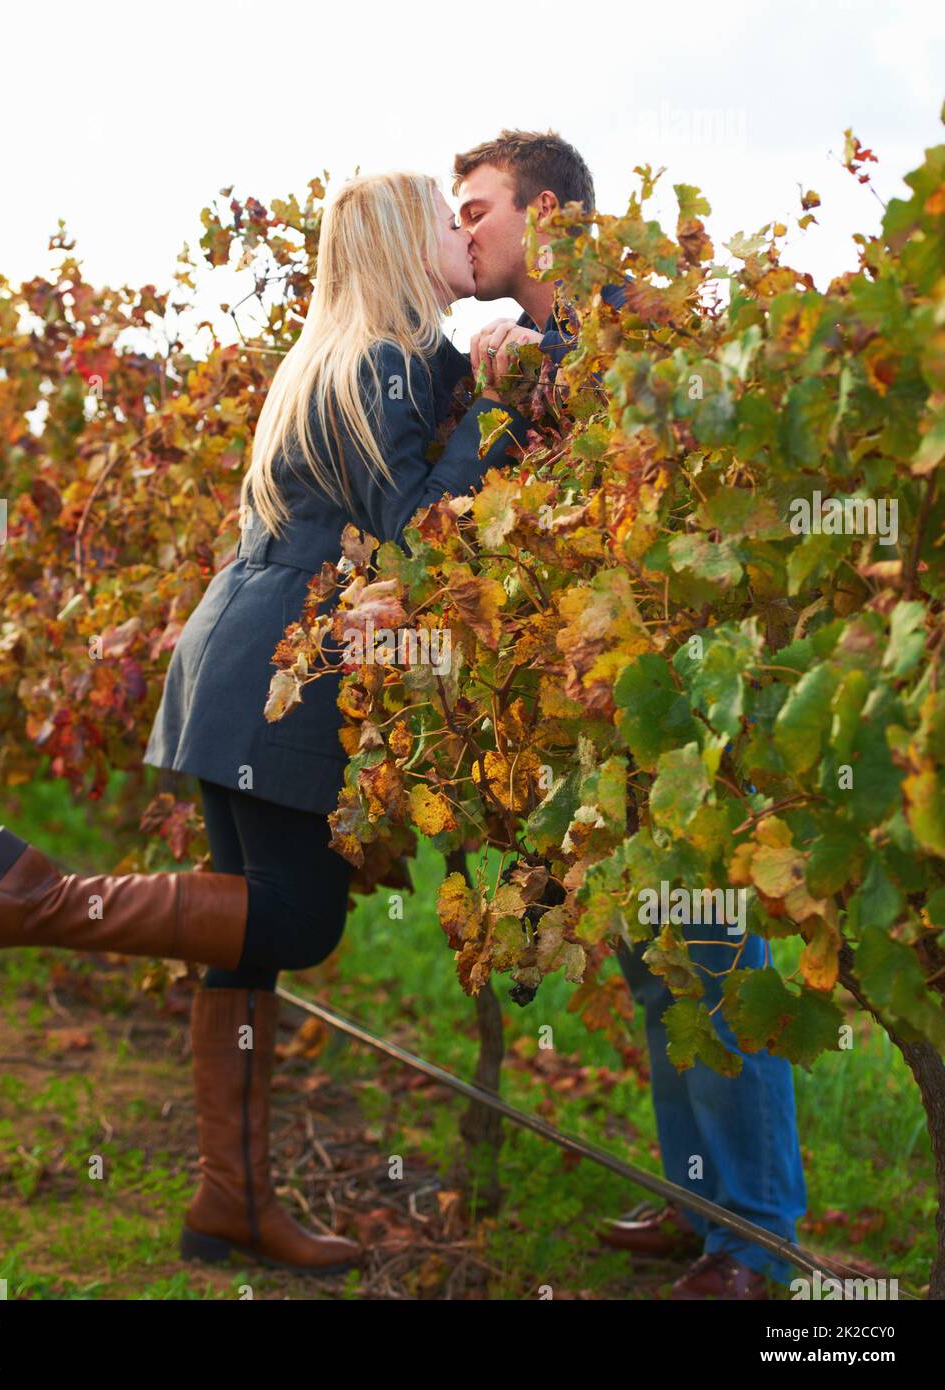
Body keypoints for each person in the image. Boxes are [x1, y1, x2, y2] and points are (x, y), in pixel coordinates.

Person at [0, 170, 529, 1276]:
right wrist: (498, 407)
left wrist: (470, 370)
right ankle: (41, 899)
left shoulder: (362, 359)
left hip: (242, 663)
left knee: (248, 954)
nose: (458, 233)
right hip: (280, 673)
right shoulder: (376, 364)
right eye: (444, 216)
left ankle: (229, 1203)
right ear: (400, 242)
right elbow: (418, 525)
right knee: (296, 921)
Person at [453, 129, 807, 1300]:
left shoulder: (632, 313)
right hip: (604, 691)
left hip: (686, 683)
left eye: (477, 208)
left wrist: (543, 368)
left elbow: (670, 423)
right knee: (657, 956)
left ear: (545, 210)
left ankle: (754, 1242)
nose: (464, 232)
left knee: (710, 948)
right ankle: (700, 1198)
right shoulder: (542, 338)